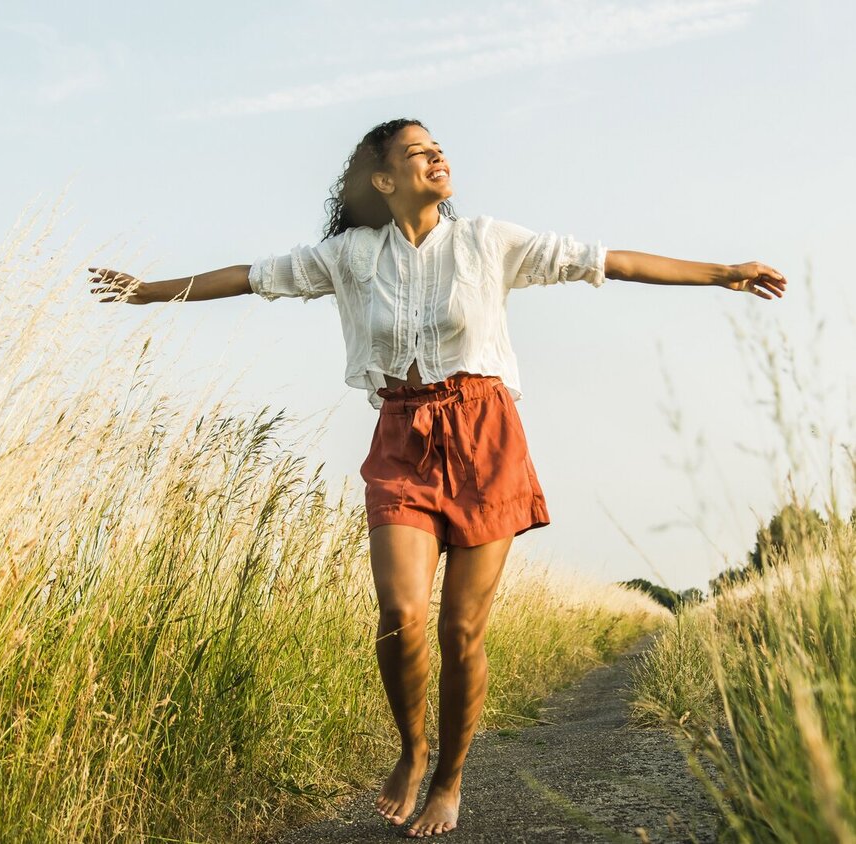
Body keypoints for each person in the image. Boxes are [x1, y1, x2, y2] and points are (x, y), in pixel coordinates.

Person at [88, 118, 786, 838]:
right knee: (399, 614)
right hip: (401, 437)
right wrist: (148, 292)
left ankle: (450, 780)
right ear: (384, 180)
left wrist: (722, 273)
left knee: (460, 629)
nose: (439, 157)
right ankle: (412, 750)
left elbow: (607, 261)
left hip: (486, 437)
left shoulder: (488, 241)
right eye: (420, 152)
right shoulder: (349, 256)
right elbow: (249, 278)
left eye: (441, 149)